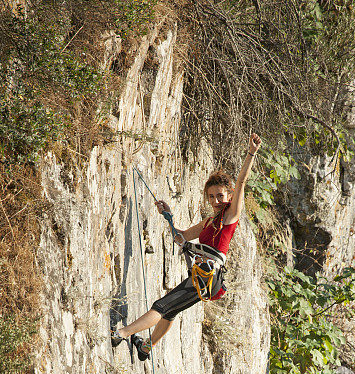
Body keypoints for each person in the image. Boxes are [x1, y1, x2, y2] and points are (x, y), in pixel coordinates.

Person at [111, 133, 262, 360]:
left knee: (160, 306)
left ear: (229, 195)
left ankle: (122, 333)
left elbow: (241, 182)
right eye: (211, 197)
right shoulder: (209, 222)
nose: (216, 201)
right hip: (203, 276)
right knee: (170, 311)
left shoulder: (231, 215)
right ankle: (145, 347)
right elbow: (180, 236)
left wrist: (251, 153)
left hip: (207, 277)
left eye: (220, 196)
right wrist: (168, 216)